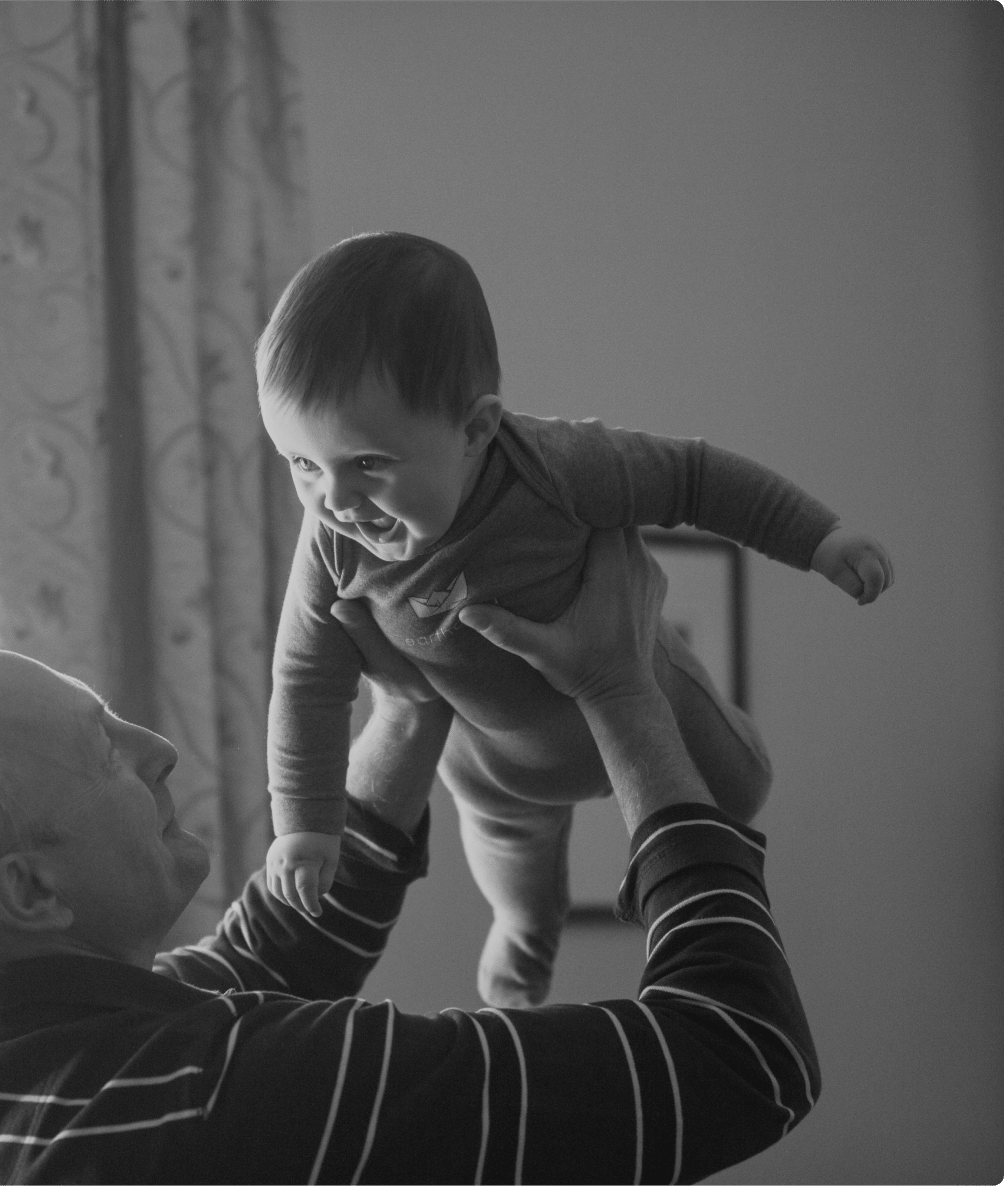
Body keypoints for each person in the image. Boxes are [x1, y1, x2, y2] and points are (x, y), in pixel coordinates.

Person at [0, 527, 818, 1184]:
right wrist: (620, 694)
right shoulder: (227, 1096)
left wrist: (413, 701)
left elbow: (260, 959)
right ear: (32, 888)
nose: (157, 750)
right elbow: (738, 1057)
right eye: (104, 749)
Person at [259, 230, 894, 1006]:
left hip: (645, 693)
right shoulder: (331, 543)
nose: (335, 500)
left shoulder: (555, 466)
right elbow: (305, 681)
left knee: (740, 790)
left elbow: (695, 478)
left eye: (368, 464)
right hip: (497, 764)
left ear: (475, 431)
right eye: (301, 464)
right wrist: (304, 824)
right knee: (519, 887)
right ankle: (524, 942)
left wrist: (820, 538)